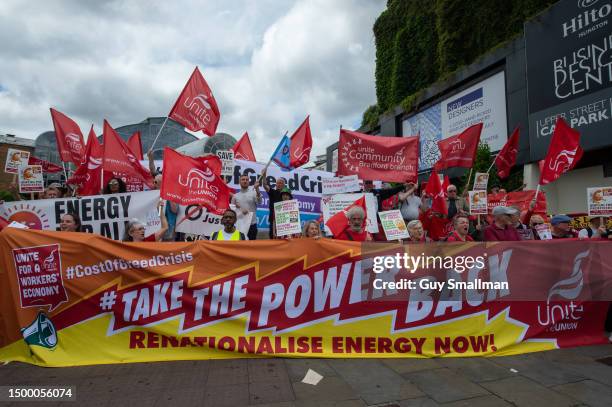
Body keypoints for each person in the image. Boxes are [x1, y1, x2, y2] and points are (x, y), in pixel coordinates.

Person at [232, 174, 262, 241]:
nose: (245, 181)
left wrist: (257, 189)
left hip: (252, 225)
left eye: (247, 180)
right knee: (239, 247)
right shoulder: (235, 196)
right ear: (239, 182)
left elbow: (260, 202)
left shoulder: (254, 193)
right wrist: (237, 208)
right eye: (243, 179)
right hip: (239, 225)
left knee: (251, 248)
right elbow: (232, 211)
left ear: (249, 182)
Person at [261, 169, 286, 239]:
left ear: (284, 185)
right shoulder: (273, 192)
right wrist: (264, 176)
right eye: (278, 183)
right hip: (273, 219)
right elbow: (265, 185)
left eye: (281, 183)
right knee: (273, 237)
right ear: (276, 184)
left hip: (284, 220)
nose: (279, 184)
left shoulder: (287, 195)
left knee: (284, 238)